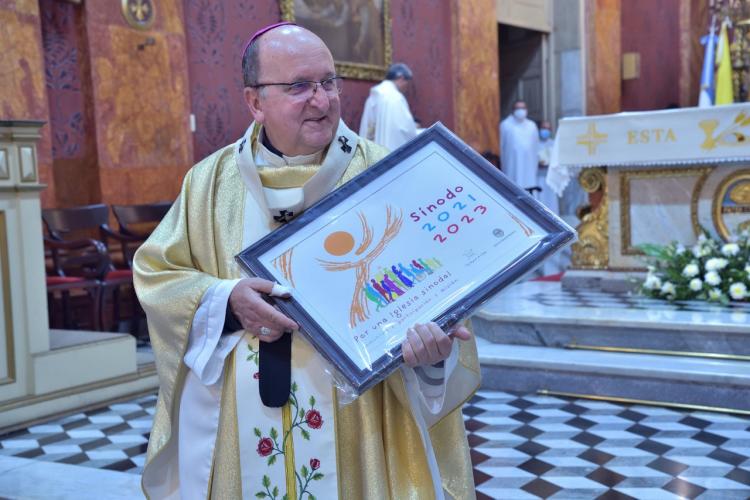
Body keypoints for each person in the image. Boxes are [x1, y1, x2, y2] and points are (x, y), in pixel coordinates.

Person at [134, 23, 479, 500]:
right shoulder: (209, 183)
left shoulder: (385, 175)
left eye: (329, 82)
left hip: (359, 419)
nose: (322, 100)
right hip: (242, 407)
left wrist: (433, 353)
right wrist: (225, 298)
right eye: (299, 86)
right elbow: (157, 273)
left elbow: (439, 288)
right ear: (255, 102)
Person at [359, 62, 418, 150]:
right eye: (407, 83)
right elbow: (405, 131)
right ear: (401, 78)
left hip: (373, 153)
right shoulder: (395, 98)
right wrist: (413, 127)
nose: (406, 87)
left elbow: (367, 130)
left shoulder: (374, 96)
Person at [499, 100, 539, 191]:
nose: (520, 110)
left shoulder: (532, 125)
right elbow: (501, 146)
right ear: (513, 110)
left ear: (527, 110)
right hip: (512, 165)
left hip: (529, 166)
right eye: (518, 108)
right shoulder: (505, 125)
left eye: (523, 108)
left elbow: (536, 147)